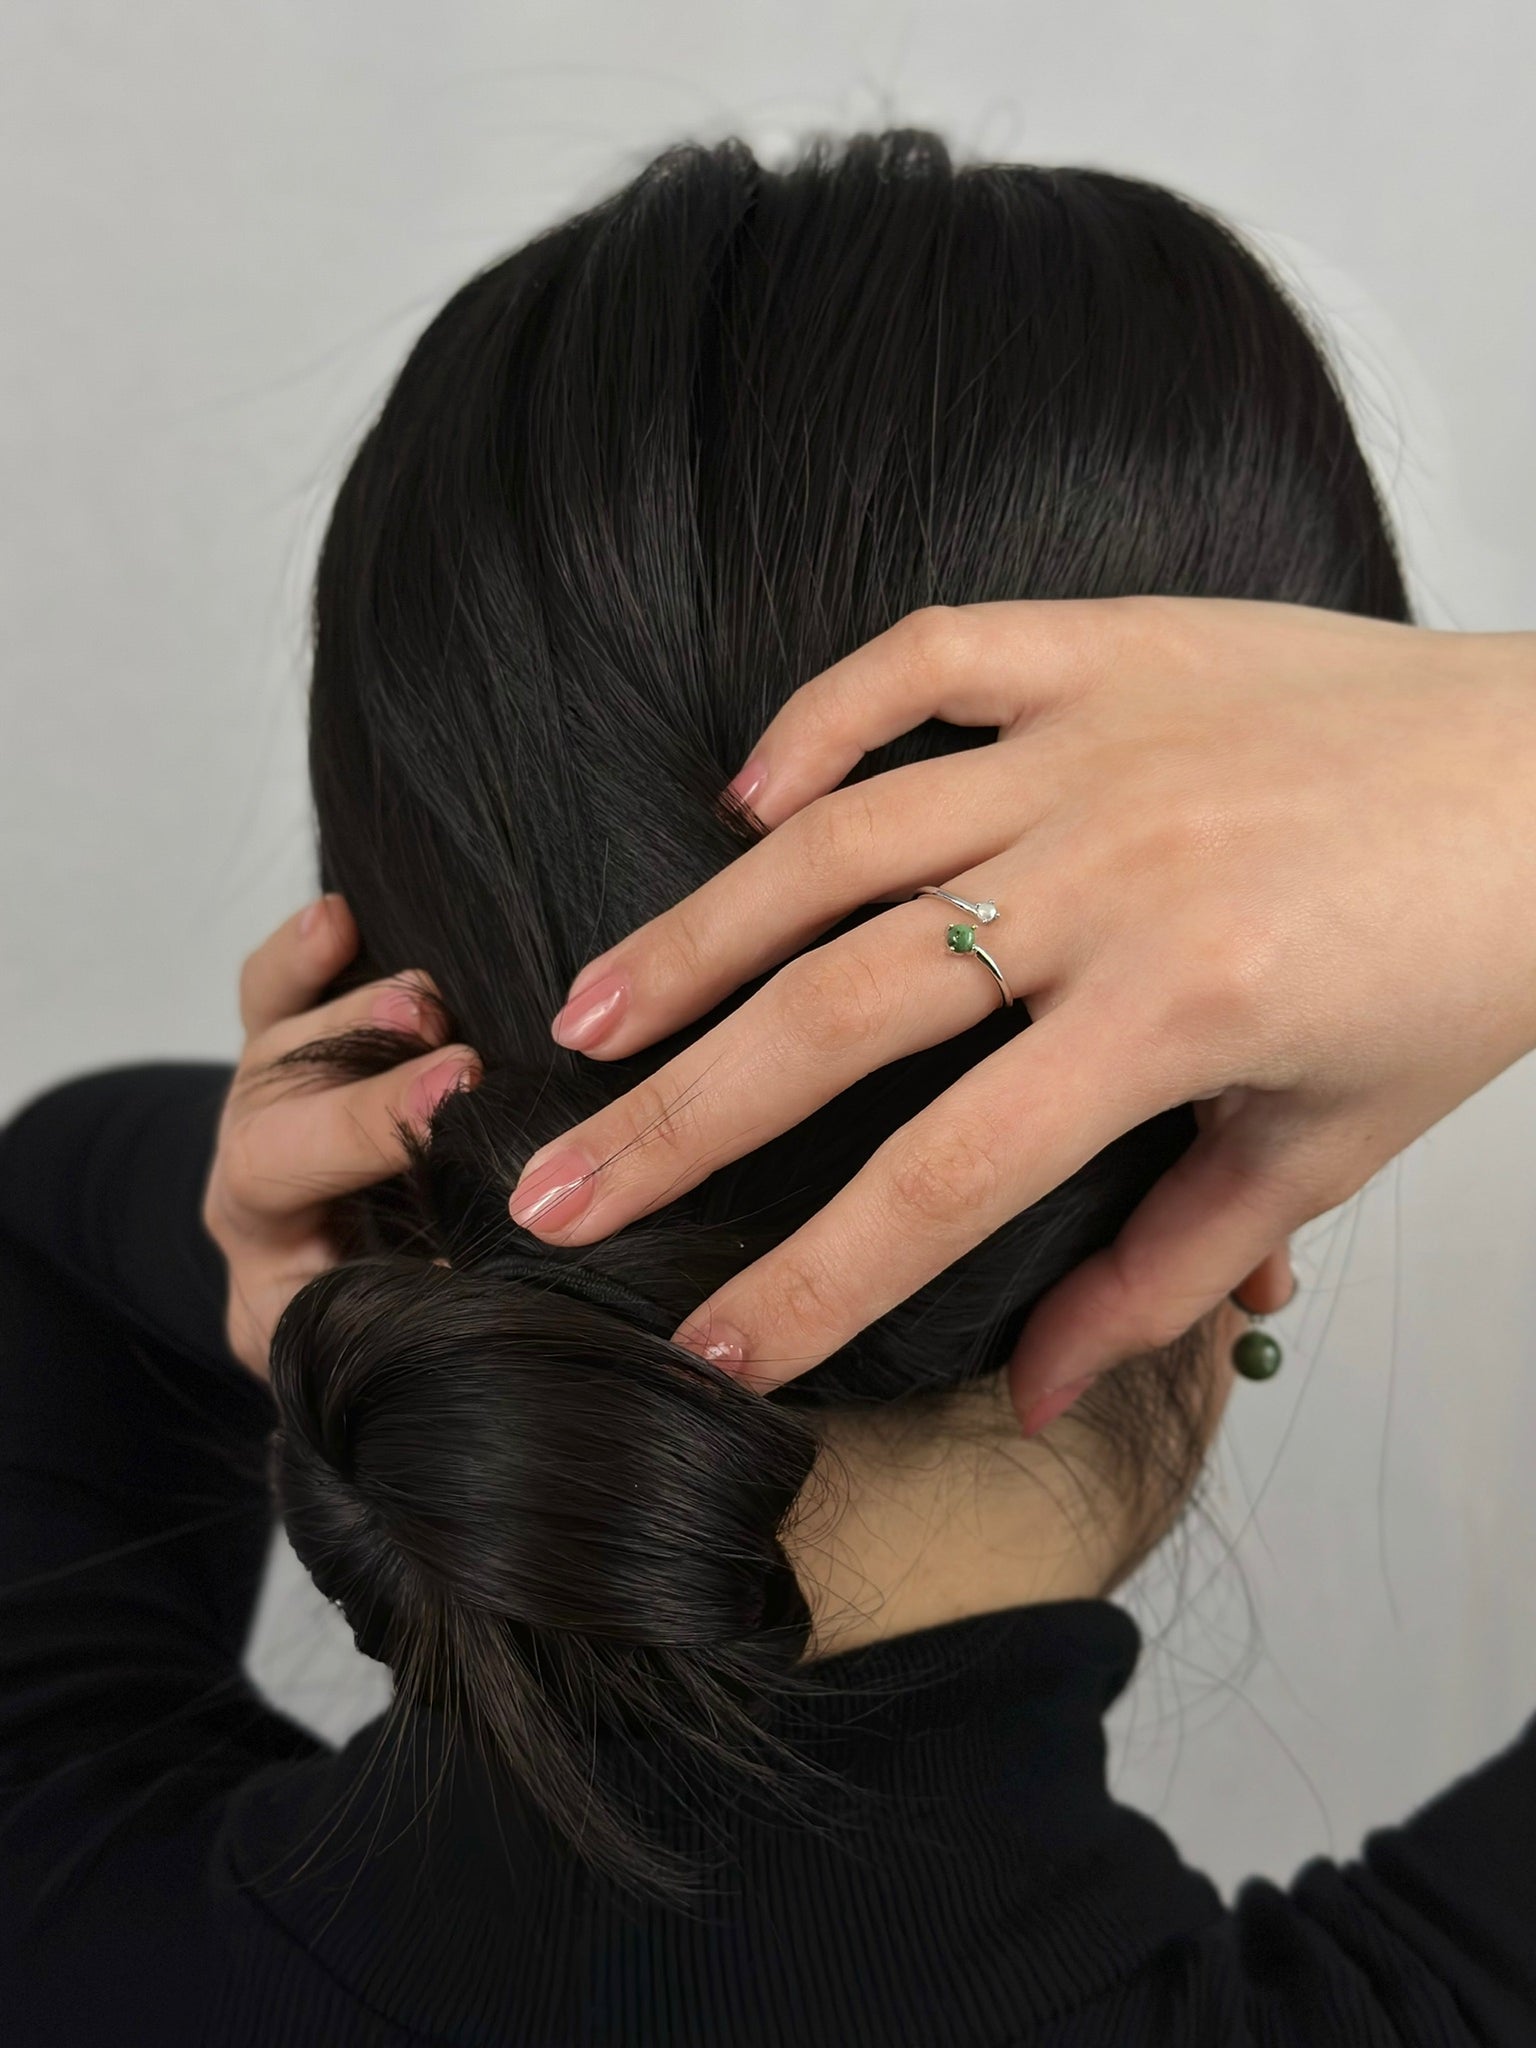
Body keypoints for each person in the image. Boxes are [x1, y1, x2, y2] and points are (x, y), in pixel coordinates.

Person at [2, 126, 1534, 2047]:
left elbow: (45, 1217)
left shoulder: (61, 1908)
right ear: (1263, 1128)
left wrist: (369, 1212)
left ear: (413, 1038)